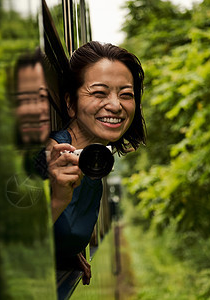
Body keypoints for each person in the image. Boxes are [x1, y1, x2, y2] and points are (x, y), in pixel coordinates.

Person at [47, 41, 146, 285]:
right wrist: (57, 200)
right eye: (99, 93)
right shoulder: (47, 158)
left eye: (126, 95)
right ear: (70, 104)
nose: (116, 105)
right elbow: (4, 249)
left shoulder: (93, 163)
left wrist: (66, 251)